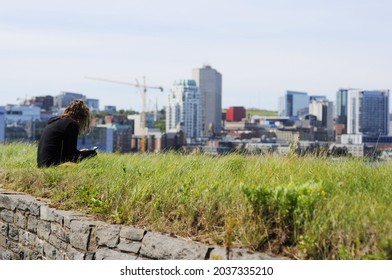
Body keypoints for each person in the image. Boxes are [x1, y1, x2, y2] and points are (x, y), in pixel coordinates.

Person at [37, 99, 97, 168]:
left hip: (42, 164)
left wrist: (79, 152)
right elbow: (70, 154)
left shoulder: (54, 120)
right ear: (82, 117)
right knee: (92, 153)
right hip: (52, 164)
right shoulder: (72, 125)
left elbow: (65, 151)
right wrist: (82, 153)